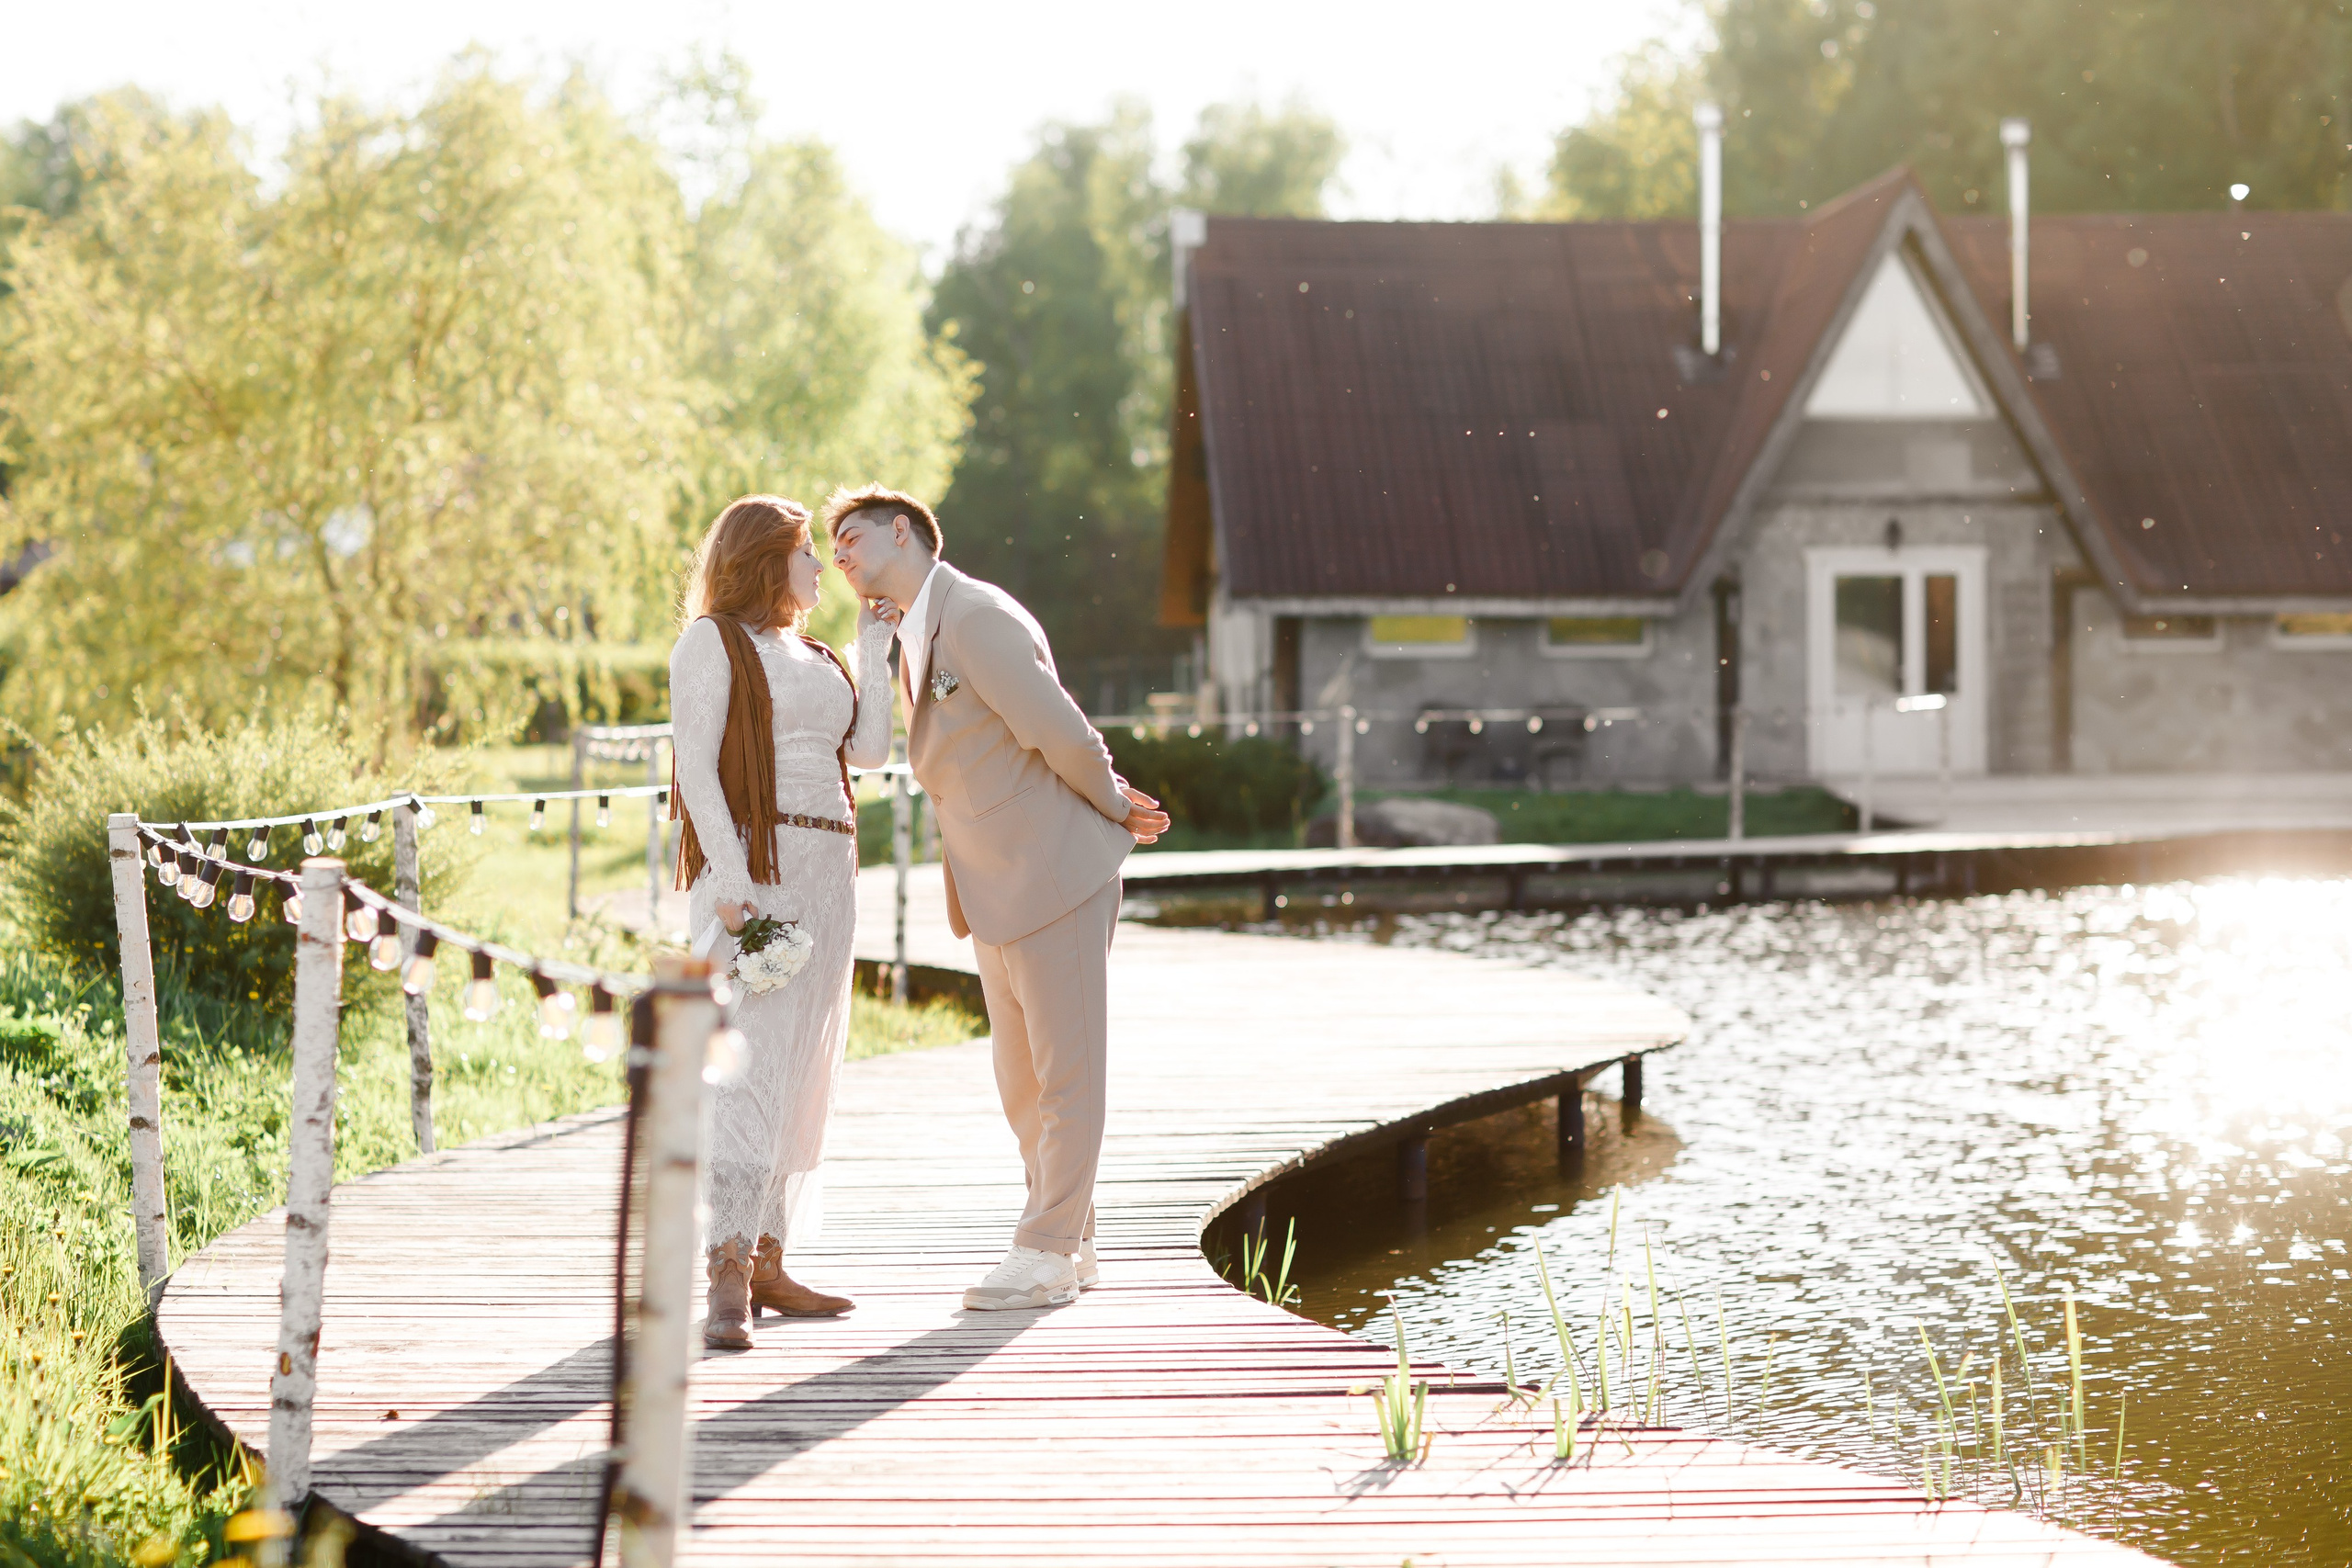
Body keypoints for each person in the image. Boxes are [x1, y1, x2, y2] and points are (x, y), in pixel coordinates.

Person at [824, 483, 1170, 1311]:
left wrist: (1117, 800)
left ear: (902, 532)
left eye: (852, 538)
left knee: (1066, 1074)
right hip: (993, 884)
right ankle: (1073, 1238)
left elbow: (1058, 726)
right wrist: (870, 650)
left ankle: (1044, 1248)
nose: (837, 556)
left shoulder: (974, 615)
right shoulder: (907, 632)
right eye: (830, 549)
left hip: (1055, 870)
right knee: (1021, 1080)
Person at [668, 494, 897, 1348]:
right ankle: (724, 1266)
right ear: (769, 560)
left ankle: (770, 1258)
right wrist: (731, 880)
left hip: (829, 872)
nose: (822, 567)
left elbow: (868, 750)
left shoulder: (819, 652)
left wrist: (876, 645)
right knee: (748, 1066)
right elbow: (695, 760)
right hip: (756, 872)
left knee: (802, 1065)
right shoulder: (713, 642)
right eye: (809, 552)